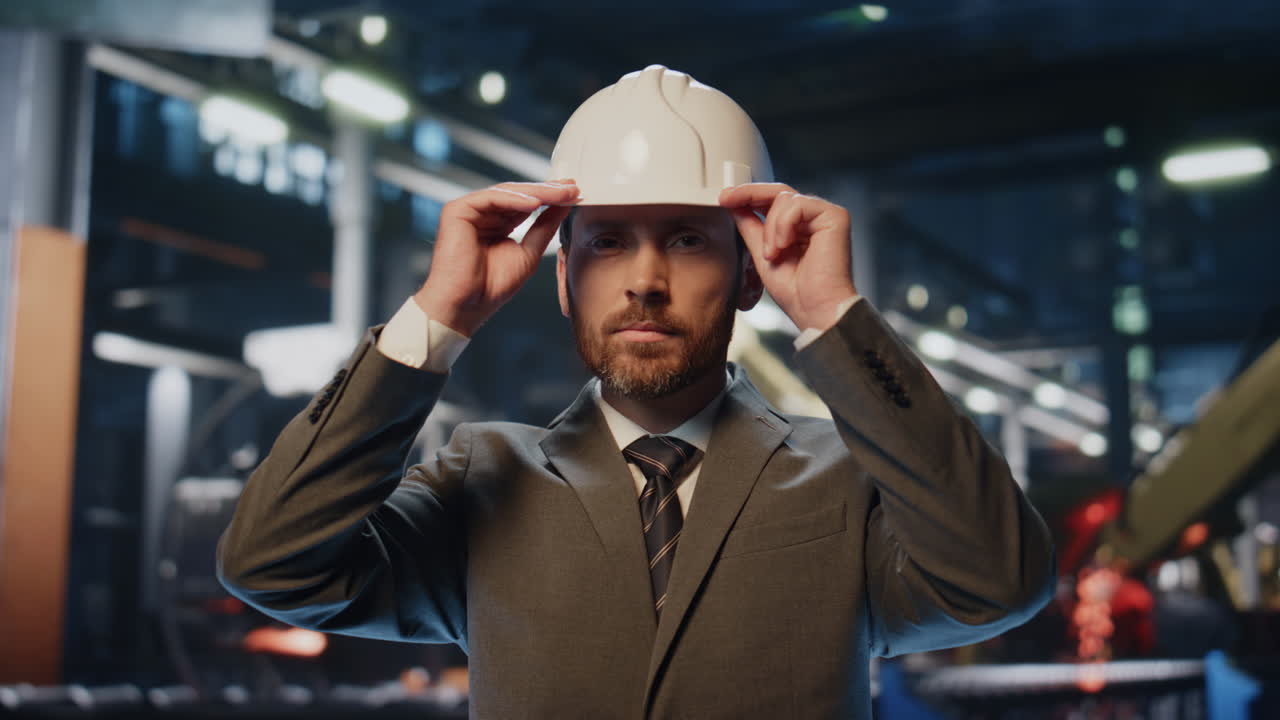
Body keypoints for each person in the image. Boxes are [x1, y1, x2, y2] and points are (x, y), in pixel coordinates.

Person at [217, 65, 1055, 719]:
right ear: (562, 278)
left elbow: (1000, 581)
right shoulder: (481, 478)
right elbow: (273, 565)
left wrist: (836, 318)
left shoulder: (847, 480)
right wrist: (437, 317)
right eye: (609, 242)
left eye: (688, 240)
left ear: (750, 275)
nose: (645, 282)